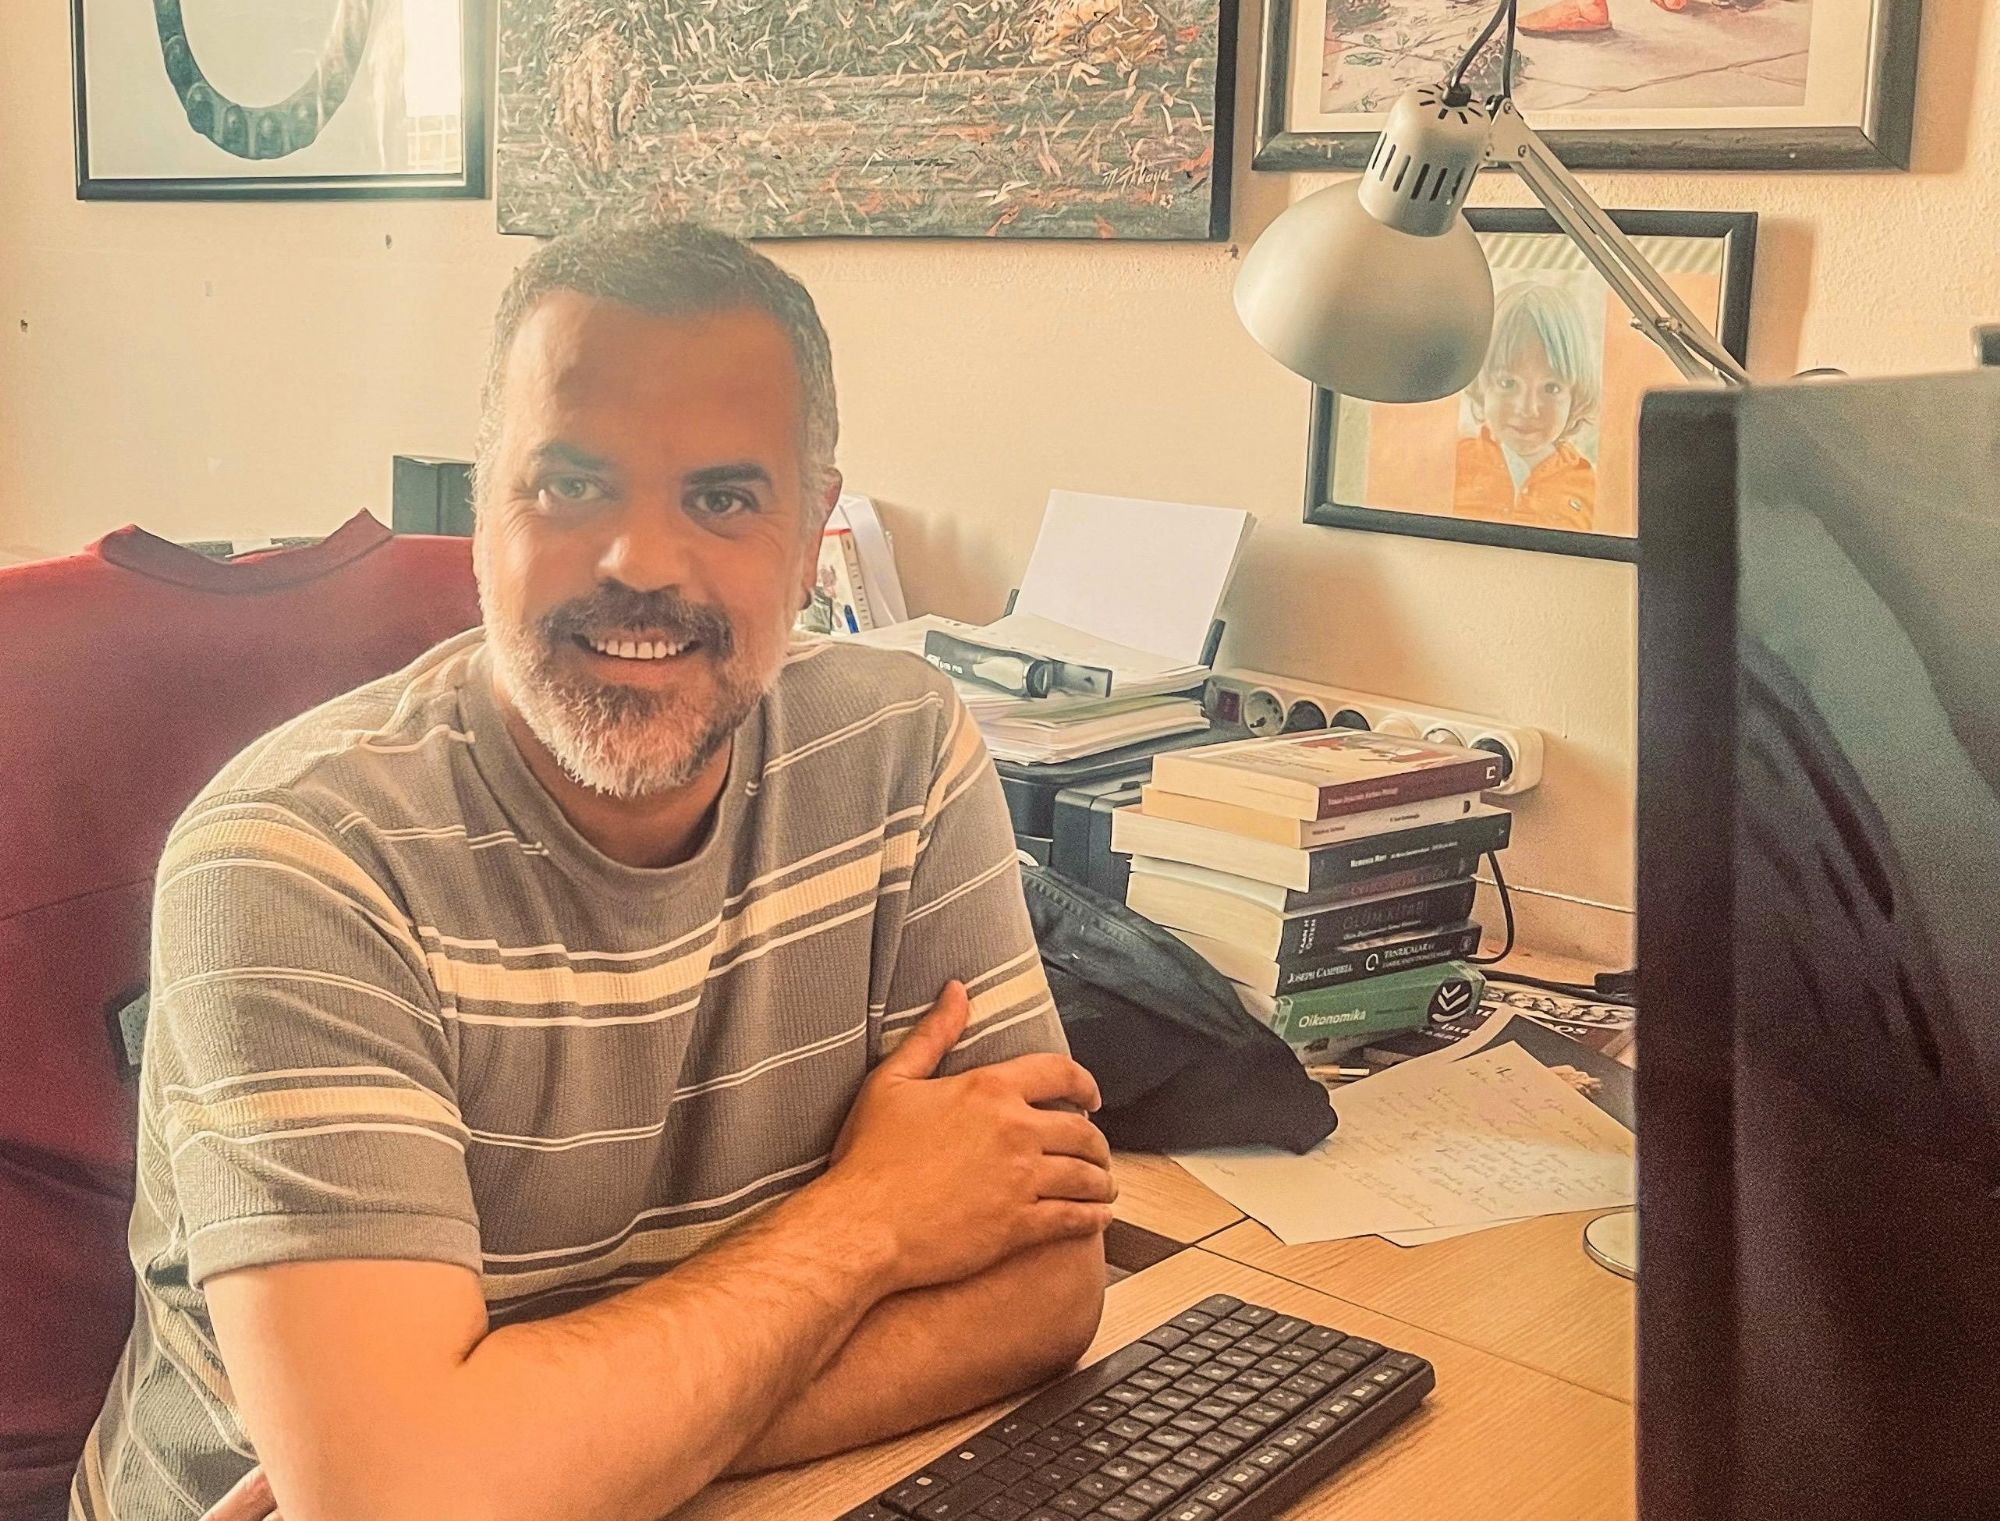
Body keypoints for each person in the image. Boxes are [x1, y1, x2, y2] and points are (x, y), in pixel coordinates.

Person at [71, 220, 1116, 1521]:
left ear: (811, 534)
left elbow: (1044, 1283)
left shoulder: (899, 751)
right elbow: (402, 1500)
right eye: (571, 486)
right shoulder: (292, 862)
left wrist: (537, 1458)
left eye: (722, 499)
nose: (641, 563)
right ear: (480, 508)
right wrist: (869, 1223)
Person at [1452, 280, 1601, 533]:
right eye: (1507, 383)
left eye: (1551, 388)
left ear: (1576, 395)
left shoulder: (1588, 486)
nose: (1528, 409)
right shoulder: (1455, 463)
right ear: (1482, 384)